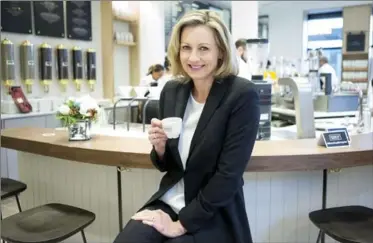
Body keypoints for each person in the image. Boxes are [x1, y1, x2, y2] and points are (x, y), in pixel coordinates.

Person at [113, 9, 260, 243]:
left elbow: (228, 176)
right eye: (186, 47)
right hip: (170, 201)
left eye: (203, 48)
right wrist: (160, 148)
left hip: (213, 210)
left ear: (221, 51)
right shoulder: (173, 91)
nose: (193, 58)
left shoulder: (241, 95)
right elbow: (170, 166)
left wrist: (180, 225)